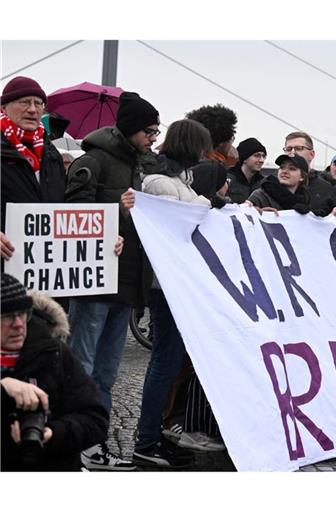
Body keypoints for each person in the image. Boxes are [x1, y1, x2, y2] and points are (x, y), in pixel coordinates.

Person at [64, 91, 159, 470]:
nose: (154, 137)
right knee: (81, 365)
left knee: (106, 371)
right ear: (133, 129)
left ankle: (95, 441)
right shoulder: (94, 161)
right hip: (94, 282)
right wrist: (114, 213)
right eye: (150, 130)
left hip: (126, 284)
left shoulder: (137, 165)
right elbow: (69, 214)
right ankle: (73, 444)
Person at [130, 118, 226, 467]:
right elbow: (183, 221)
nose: (203, 154)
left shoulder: (178, 181)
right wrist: (209, 205)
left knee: (172, 364)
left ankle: (159, 434)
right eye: (200, 147)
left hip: (179, 286)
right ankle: (147, 440)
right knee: (164, 363)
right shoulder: (160, 183)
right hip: (165, 286)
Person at [2, 273, 109, 471]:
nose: (18, 324)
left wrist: (53, 433)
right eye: (7, 316)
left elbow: (96, 421)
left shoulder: (54, 354)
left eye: (23, 313)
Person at [1, 77, 67, 263]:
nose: (32, 109)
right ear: (3, 107)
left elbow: (67, 205)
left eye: (38, 103)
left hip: (41, 265)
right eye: (24, 102)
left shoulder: (51, 153)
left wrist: (103, 236)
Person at [282, 131, 333, 211]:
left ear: (312, 154)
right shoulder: (270, 186)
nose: (292, 152)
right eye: (288, 149)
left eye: (299, 148)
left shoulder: (326, 190)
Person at [246, 154, 313, 213]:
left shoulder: (306, 201)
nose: (285, 171)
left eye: (292, 168)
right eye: (282, 167)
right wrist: (257, 211)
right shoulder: (260, 196)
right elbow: (243, 213)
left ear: (302, 177)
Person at [185, 103, 238, 167]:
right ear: (222, 142)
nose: (231, 146)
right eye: (231, 139)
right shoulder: (214, 168)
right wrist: (232, 162)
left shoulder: (185, 158)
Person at [226, 137, 267, 204]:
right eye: (257, 156)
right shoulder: (226, 180)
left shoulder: (264, 183)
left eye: (263, 156)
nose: (262, 160)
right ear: (244, 158)